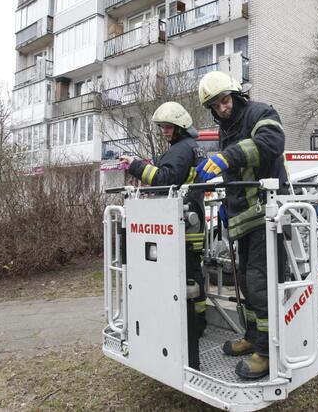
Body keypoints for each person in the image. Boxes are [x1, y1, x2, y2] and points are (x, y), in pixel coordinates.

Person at [195, 71, 287, 380]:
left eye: (225, 101)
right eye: (216, 105)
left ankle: (267, 352)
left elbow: (271, 143)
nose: (222, 108)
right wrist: (225, 205)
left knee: (260, 286)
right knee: (246, 285)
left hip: (267, 217)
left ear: (235, 95)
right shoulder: (226, 129)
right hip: (244, 219)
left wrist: (226, 157)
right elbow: (237, 176)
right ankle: (252, 335)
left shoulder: (260, 112)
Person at [119, 102, 208, 339]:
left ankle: (193, 326)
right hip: (191, 218)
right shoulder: (192, 147)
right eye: (162, 128)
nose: (164, 132)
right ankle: (197, 321)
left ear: (180, 127)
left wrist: (135, 166)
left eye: (168, 127)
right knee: (192, 271)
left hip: (181, 222)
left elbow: (165, 179)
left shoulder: (181, 149)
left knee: (185, 273)